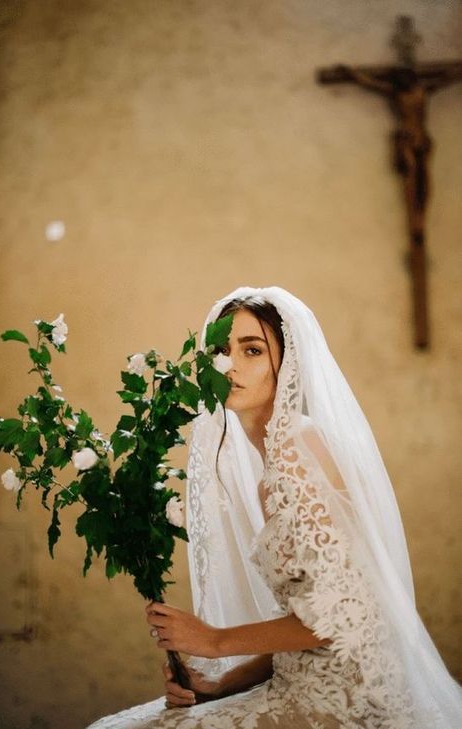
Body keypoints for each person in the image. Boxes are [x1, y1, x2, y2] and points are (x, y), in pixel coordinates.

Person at [87, 286, 462, 728]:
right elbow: (306, 623)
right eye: (221, 351)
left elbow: (342, 614)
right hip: (299, 680)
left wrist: (215, 641)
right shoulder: (272, 460)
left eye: (252, 350)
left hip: (348, 698)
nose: (231, 366)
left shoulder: (297, 450)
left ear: (287, 364)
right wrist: (222, 685)